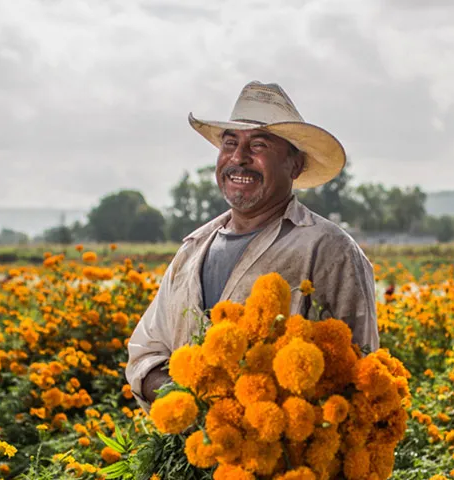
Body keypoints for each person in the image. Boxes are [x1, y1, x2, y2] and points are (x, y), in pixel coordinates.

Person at [125, 81, 380, 410]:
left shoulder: (328, 250)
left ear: (295, 165)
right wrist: (187, 403)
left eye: (259, 146)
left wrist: (260, 418)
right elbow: (146, 354)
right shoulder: (193, 249)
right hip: (192, 452)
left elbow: (360, 377)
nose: (239, 158)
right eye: (230, 144)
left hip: (287, 455)